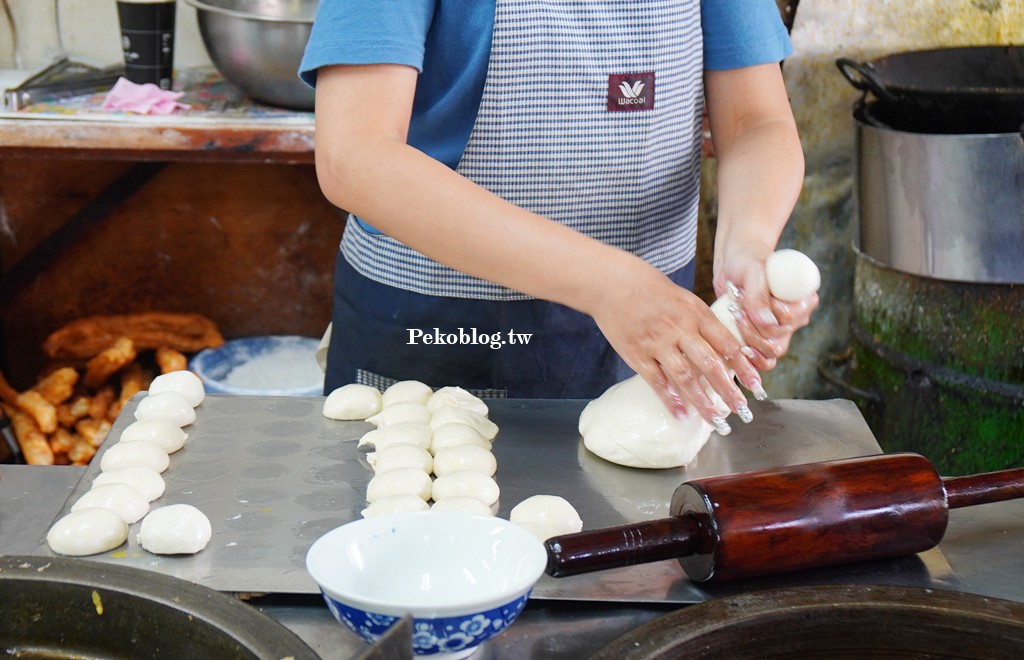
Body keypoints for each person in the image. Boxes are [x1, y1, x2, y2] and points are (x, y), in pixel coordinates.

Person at [300, 0, 818, 435]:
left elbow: (755, 120)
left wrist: (747, 241)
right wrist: (609, 286)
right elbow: (356, 157)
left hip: (656, 329)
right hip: (441, 328)